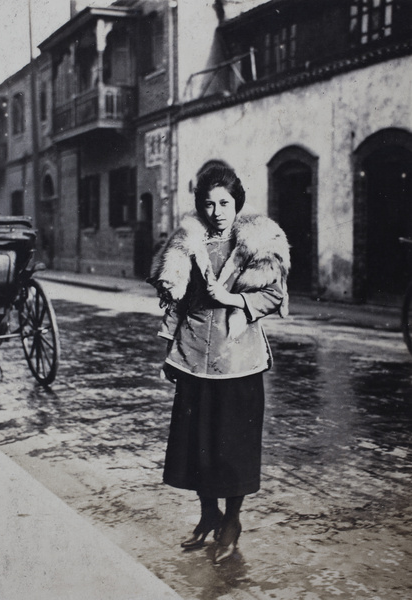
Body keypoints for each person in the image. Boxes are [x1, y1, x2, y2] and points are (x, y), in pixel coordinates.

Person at [148, 164, 290, 564]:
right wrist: (168, 349)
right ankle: (207, 514)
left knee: (232, 449)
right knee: (197, 446)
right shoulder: (189, 243)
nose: (217, 211)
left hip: (238, 360)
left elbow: (275, 297)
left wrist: (233, 300)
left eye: (224, 202)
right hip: (194, 357)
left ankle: (232, 521)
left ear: (237, 203)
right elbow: (180, 300)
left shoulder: (258, 243)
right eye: (209, 204)